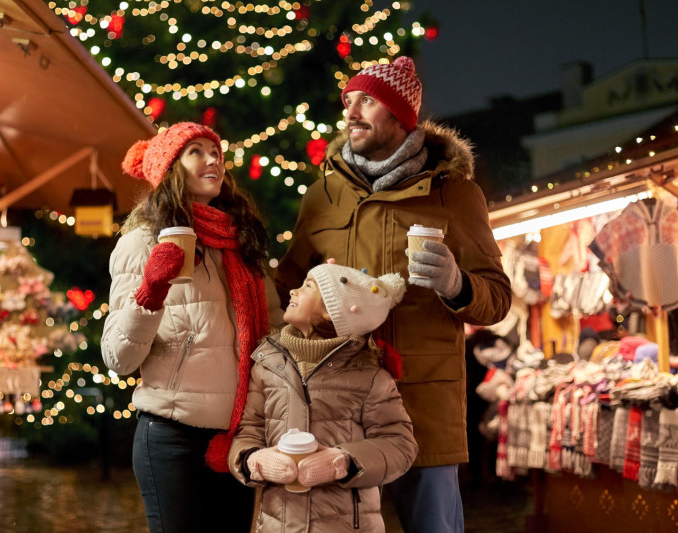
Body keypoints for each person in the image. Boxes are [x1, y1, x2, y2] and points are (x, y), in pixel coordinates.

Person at [274, 57, 512, 532]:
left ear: (402, 116)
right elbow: (286, 290)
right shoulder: (321, 197)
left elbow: (498, 299)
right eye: (348, 101)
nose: (352, 112)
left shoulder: (454, 195)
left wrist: (456, 284)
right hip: (340, 411)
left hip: (423, 405)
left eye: (367, 100)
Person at [101, 122, 284, 533]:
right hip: (171, 437)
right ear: (171, 170)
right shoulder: (141, 242)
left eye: (216, 152)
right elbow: (119, 358)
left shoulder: (243, 241)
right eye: (196, 151)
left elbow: (273, 334)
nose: (213, 159)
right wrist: (151, 290)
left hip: (238, 437)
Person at [229, 261, 418, 532]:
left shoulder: (370, 376)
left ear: (332, 312)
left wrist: (343, 462)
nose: (293, 290)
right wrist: (253, 460)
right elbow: (249, 430)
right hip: (277, 524)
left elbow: (400, 444)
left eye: (307, 286)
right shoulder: (267, 365)